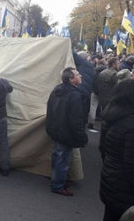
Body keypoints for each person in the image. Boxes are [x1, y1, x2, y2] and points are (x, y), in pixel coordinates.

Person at [46, 67, 88, 196]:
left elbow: (50, 110)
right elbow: (76, 119)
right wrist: (82, 137)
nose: (80, 75)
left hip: (56, 131)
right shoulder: (73, 95)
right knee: (62, 160)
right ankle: (57, 185)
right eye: (77, 74)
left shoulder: (56, 90)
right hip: (66, 133)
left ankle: (58, 180)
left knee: (58, 157)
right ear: (71, 79)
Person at [99, 79, 134, 221]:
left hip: (110, 177)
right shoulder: (130, 125)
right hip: (126, 188)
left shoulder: (111, 113)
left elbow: (103, 147)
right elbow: (131, 165)